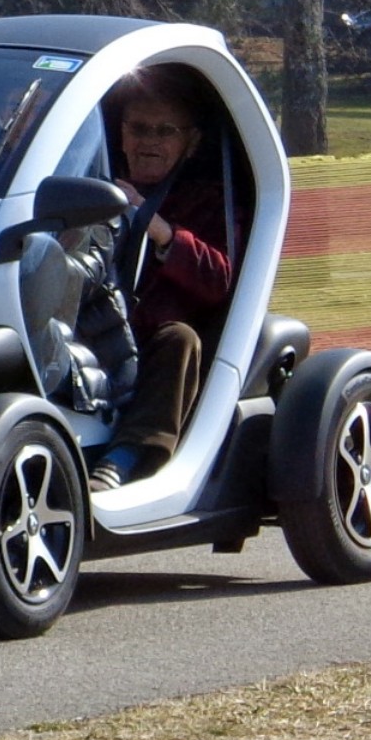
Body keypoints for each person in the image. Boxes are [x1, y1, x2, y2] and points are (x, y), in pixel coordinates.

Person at [90, 64, 236, 491]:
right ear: (120, 134)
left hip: (154, 337)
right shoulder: (92, 187)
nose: (149, 141)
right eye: (138, 128)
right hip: (91, 325)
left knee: (180, 339)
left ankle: (125, 458)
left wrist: (162, 231)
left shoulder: (210, 200)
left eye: (164, 131)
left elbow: (219, 279)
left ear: (190, 144)